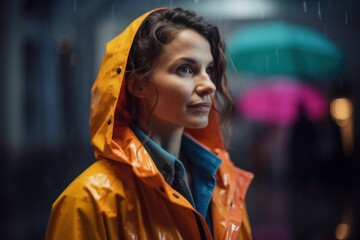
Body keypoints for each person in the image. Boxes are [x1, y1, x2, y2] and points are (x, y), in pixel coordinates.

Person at [45, 7, 253, 240]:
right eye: (185, 69)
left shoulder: (225, 186)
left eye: (209, 70)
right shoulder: (89, 201)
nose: (210, 85)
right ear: (137, 85)